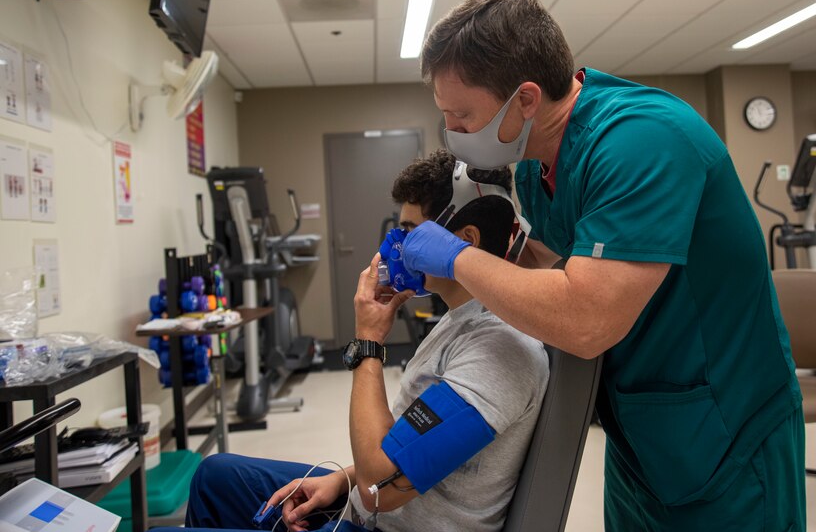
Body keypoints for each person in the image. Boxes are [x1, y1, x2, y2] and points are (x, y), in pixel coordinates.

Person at [400, 0, 806, 530]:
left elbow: (585, 318)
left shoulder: (642, 140)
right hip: (643, 428)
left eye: (462, 117)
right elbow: (565, 268)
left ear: (524, 100)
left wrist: (457, 258)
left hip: (724, 427)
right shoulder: (533, 163)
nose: (454, 136)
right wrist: (500, 252)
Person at [171, 149, 549, 532]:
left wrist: (368, 341)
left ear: (465, 239)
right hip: (367, 508)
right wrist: (342, 479)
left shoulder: (499, 350)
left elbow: (380, 489)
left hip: (383, 522)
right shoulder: (460, 319)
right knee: (213, 476)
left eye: (410, 233)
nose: (396, 245)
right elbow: (412, 450)